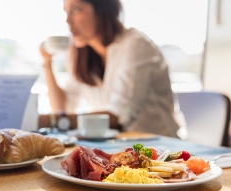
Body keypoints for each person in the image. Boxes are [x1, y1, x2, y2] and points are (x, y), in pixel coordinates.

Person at [39, 0, 182, 138]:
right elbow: (63, 108)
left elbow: (119, 117)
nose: (68, 20)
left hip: (162, 149)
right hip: (121, 151)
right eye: (66, 11)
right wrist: (47, 62)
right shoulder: (84, 56)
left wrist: (46, 121)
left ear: (103, 8)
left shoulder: (136, 44)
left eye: (76, 9)